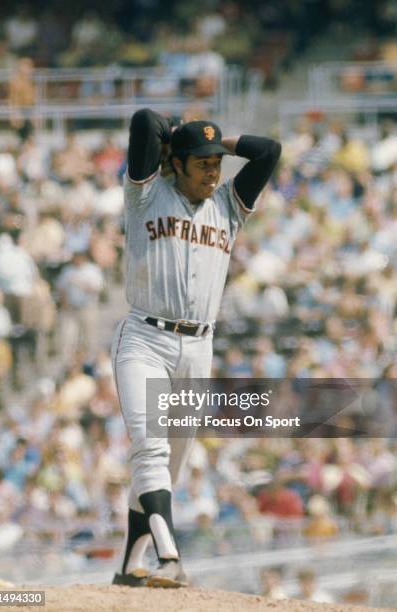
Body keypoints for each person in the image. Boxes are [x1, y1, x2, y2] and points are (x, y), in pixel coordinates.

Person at [111, 108, 281, 588]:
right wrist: (174, 138)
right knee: (150, 452)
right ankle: (170, 557)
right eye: (202, 161)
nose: (213, 170)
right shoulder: (145, 195)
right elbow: (145, 121)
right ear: (177, 162)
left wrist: (216, 141)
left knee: (173, 463)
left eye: (217, 162)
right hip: (144, 338)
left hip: (198, 348)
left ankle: (129, 566)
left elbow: (269, 151)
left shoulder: (228, 204)